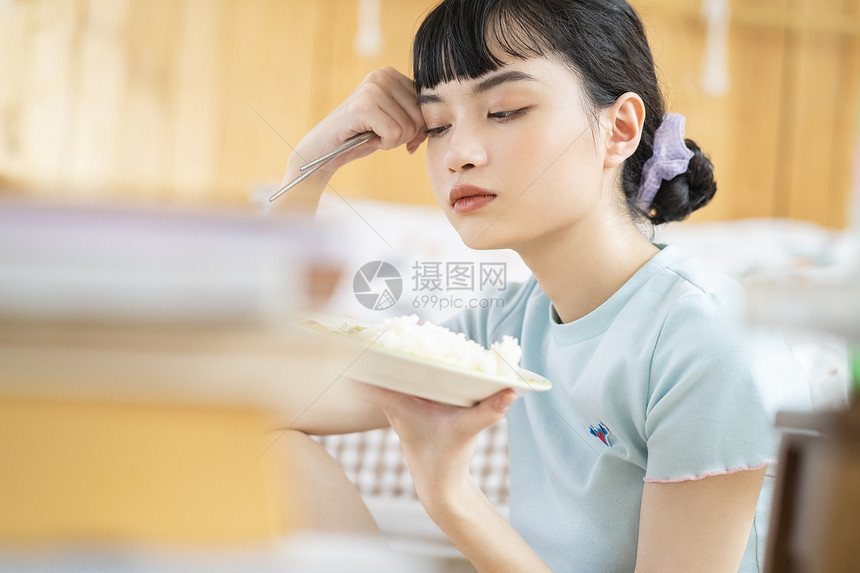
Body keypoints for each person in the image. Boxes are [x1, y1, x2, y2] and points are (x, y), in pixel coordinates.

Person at [274, 0, 809, 571]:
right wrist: (309, 166)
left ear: (618, 128)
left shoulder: (702, 336)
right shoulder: (509, 322)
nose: (459, 154)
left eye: (504, 110)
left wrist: (451, 497)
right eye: (437, 125)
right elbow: (249, 392)